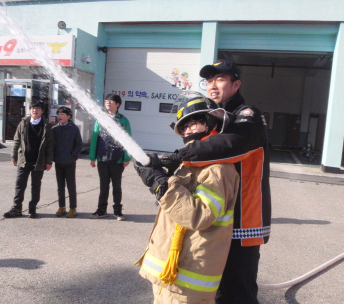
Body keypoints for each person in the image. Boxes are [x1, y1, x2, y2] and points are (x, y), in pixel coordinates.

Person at [161, 60, 271, 304]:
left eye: (220, 79)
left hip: (244, 220)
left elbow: (233, 144)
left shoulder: (247, 115)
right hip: (221, 218)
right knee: (216, 289)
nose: (212, 85)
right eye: (209, 81)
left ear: (236, 84)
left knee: (237, 293)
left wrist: (181, 156)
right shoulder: (219, 118)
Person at [134, 92, 240, 304]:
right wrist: (169, 175)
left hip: (188, 280)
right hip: (171, 273)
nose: (189, 128)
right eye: (184, 126)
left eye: (196, 122)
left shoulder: (217, 168)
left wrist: (161, 184)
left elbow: (198, 215)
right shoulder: (193, 164)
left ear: (211, 123)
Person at [4, 98, 54, 219]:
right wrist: (14, 156)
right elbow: (16, 140)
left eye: (37, 108)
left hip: (39, 161)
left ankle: (32, 209)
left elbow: (50, 146)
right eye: (32, 108)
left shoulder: (47, 126)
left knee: (36, 186)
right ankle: (16, 208)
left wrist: (48, 162)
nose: (34, 110)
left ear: (42, 111)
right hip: (23, 159)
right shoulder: (24, 122)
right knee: (20, 184)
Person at [89, 94, 132, 221]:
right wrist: (93, 157)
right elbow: (95, 139)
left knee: (117, 186)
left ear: (118, 104)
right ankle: (101, 210)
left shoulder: (123, 121)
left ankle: (117, 211)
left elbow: (128, 140)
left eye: (111, 101)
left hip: (117, 159)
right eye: (106, 100)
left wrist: (126, 158)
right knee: (103, 186)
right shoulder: (100, 119)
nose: (108, 102)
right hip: (102, 158)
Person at [52, 106, 83, 218]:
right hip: (58, 161)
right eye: (58, 114)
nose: (59, 116)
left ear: (68, 116)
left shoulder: (74, 128)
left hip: (70, 162)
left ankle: (72, 208)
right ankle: (61, 207)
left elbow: (79, 144)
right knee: (60, 186)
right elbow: (52, 145)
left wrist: (73, 156)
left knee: (71, 186)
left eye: (62, 114)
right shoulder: (54, 129)